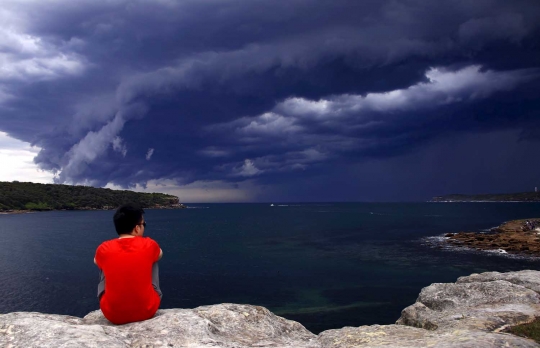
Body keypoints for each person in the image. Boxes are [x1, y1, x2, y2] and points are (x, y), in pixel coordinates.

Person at [94, 203, 163, 324]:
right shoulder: (149, 244)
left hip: (112, 314)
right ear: (137, 228)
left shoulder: (104, 247)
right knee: (154, 259)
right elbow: (160, 254)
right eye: (143, 224)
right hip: (146, 311)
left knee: (102, 262)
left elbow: (95, 261)